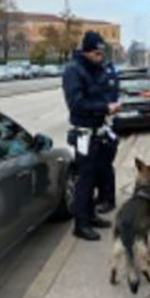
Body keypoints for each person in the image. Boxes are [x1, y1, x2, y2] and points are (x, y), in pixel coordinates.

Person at [62, 31, 121, 241]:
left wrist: (111, 105)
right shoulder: (73, 71)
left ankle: (91, 215)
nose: (100, 57)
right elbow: (77, 104)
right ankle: (81, 224)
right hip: (84, 133)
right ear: (86, 52)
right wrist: (105, 107)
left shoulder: (96, 69)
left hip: (99, 132)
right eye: (97, 53)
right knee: (84, 180)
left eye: (102, 53)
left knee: (95, 176)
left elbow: (105, 92)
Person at [94, 60, 120, 214]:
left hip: (106, 127)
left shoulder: (108, 75)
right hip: (101, 127)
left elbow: (109, 103)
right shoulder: (105, 73)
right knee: (98, 166)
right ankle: (102, 196)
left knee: (105, 166)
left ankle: (109, 200)